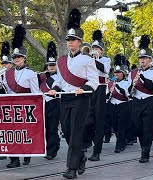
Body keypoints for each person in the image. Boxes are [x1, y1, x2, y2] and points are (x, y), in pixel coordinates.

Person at [48, 8, 99, 179]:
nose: (69, 42)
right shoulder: (61, 60)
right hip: (65, 99)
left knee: (77, 133)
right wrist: (54, 87)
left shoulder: (87, 59)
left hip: (81, 99)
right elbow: (60, 80)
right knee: (67, 133)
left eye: (73, 40)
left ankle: (71, 168)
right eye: (68, 39)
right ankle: (81, 157)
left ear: (79, 42)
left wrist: (84, 88)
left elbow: (94, 81)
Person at [3, 25, 40, 168]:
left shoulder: (31, 73)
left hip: (25, 107)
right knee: (11, 132)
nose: (16, 59)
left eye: (19, 57)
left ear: (24, 58)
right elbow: (6, 90)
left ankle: (27, 153)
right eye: (15, 57)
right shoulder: (7, 73)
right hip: (10, 106)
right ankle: (14, 159)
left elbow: (36, 92)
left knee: (24, 132)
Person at [127, 35, 153, 163]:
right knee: (137, 126)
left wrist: (142, 78)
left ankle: (145, 152)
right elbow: (129, 90)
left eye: (144, 58)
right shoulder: (133, 73)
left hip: (149, 101)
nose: (142, 60)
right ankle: (144, 146)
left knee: (147, 127)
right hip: (136, 101)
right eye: (140, 58)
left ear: (150, 60)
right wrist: (131, 86)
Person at [82, 30, 110, 161]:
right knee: (87, 117)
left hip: (100, 90)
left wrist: (95, 59)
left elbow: (105, 70)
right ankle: (86, 141)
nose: (95, 50)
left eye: (97, 48)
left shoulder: (106, 60)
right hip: (90, 89)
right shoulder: (87, 59)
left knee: (99, 120)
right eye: (93, 48)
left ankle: (97, 151)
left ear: (102, 51)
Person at [38, 41, 60, 160]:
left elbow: (56, 86)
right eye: (49, 65)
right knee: (46, 127)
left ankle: (52, 150)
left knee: (52, 127)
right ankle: (51, 146)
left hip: (55, 103)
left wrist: (48, 77)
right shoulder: (41, 76)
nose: (51, 67)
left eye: (53, 65)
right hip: (43, 103)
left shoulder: (59, 77)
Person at [107, 54, 130, 153]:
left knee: (121, 125)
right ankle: (122, 141)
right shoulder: (110, 84)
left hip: (123, 105)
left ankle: (119, 144)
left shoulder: (127, 83)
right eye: (115, 72)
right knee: (115, 125)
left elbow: (127, 94)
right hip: (113, 105)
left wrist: (118, 87)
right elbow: (106, 96)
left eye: (119, 72)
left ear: (123, 74)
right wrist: (109, 92)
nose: (116, 74)